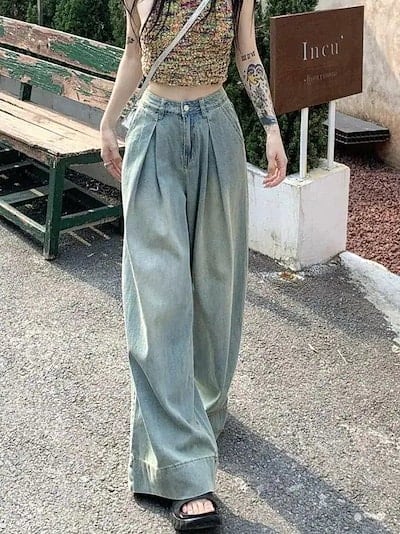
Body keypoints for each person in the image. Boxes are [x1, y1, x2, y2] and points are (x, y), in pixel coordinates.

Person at [100, 0, 287, 530]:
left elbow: (247, 54)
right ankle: (182, 470)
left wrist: (271, 128)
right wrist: (108, 121)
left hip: (216, 131)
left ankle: (200, 408)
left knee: (215, 289)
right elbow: (135, 52)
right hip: (154, 132)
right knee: (159, 300)